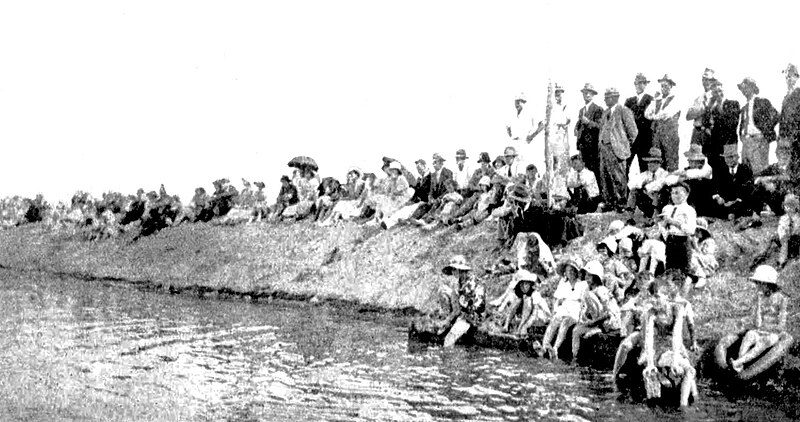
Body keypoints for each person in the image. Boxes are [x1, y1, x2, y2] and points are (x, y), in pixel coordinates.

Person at [639, 272, 699, 407]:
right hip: (661, 348)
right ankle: (684, 408)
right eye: (651, 297)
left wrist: (675, 361)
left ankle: (688, 403)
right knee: (689, 371)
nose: (653, 301)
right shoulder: (651, 313)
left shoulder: (677, 309)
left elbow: (677, 336)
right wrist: (650, 363)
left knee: (689, 374)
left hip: (676, 348)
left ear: (666, 297)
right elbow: (649, 338)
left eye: (657, 297)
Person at [729, 265, 791, 373]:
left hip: (773, 334)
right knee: (750, 335)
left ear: (767, 284)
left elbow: (781, 324)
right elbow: (757, 324)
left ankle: (738, 362)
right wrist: (758, 304)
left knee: (764, 341)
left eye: (759, 283)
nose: (757, 286)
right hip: (761, 331)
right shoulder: (760, 298)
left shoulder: (782, 299)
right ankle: (739, 364)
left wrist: (769, 330)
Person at [571, 259, 622, 359]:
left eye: (590, 276)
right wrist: (584, 318)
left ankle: (598, 329)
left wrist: (593, 323)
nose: (587, 278)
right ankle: (575, 357)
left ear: (596, 277)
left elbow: (608, 313)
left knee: (589, 295)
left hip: (609, 322)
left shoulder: (601, 290)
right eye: (586, 275)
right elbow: (586, 309)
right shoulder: (587, 290)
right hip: (597, 321)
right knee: (576, 330)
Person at [598, 87, 638, 211]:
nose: (605, 100)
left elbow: (633, 132)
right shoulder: (605, 113)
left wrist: (624, 145)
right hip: (605, 148)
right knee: (605, 176)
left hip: (617, 150)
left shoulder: (624, 111)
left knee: (618, 177)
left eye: (607, 97)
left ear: (614, 98)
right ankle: (609, 203)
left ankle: (621, 203)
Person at [541, 256, 588, 359]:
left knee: (565, 321)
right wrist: (555, 310)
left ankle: (556, 348)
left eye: (572, 270)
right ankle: (544, 346)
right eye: (568, 270)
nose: (570, 273)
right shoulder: (563, 283)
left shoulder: (583, 284)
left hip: (575, 309)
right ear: (565, 272)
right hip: (564, 307)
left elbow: (584, 303)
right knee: (555, 320)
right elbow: (557, 299)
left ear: (577, 272)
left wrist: (581, 317)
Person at [438, 255, 486, 347]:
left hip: (471, 316)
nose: (453, 272)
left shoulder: (471, 285)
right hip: (462, 310)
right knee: (443, 290)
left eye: (455, 269)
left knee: (449, 340)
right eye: (452, 270)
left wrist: (450, 320)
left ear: (462, 270)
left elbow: (465, 309)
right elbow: (457, 304)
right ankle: (448, 318)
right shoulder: (459, 282)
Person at [737, 77, 779, 175]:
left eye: (745, 88)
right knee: (746, 171)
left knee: (759, 171)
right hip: (746, 142)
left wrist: (764, 132)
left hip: (758, 141)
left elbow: (776, 116)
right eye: (742, 89)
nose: (743, 91)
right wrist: (742, 136)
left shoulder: (762, 102)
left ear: (752, 88)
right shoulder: (744, 108)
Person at [657, 182, 697, 278]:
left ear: (686, 194)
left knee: (683, 270)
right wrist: (664, 229)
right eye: (672, 193)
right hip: (670, 240)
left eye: (678, 193)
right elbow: (663, 226)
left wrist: (675, 223)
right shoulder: (668, 209)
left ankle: (683, 290)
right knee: (670, 270)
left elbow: (691, 230)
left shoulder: (689, 210)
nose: (674, 196)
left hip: (682, 241)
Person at [703, 81, 741, 171]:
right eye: (715, 92)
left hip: (729, 143)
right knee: (717, 170)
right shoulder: (711, 108)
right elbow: (705, 124)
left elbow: (732, 124)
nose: (718, 94)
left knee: (730, 169)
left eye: (720, 91)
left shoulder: (733, 104)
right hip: (715, 145)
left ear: (723, 90)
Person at [646, 74, 681, 172]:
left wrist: (654, 116)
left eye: (666, 86)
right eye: (662, 86)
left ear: (671, 86)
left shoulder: (675, 99)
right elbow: (647, 113)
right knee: (657, 158)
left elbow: (666, 114)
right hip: (657, 134)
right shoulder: (657, 100)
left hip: (670, 134)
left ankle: (671, 184)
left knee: (671, 160)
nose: (664, 88)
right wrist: (654, 114)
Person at [711, 144, 756, 221]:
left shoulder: (745, 170)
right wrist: (718, 197)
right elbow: (714, 187)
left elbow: (747, 190)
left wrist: (734, 201)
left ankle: (732, 214)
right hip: (724, 203)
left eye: (731, 157)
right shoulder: (720, 170)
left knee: (747, 205)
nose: (728, 160)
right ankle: (729, 214)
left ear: (737, 157)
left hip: (739, 202)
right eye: (726, 158)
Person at [668, 144, 715, 217]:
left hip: (703, 199)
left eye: (692, 161)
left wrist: (684, 175)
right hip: (690, 198)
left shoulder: (706, 169)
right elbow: (670, 178)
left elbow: (696, 174)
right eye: (689, 160)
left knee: (696, 184)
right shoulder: (687, 169)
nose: (689, 162)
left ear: (700, 162)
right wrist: (678, 177)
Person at [506, 91, 546, 171]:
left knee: (526, 165)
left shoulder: (531, 112)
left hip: (525, 143)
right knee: (514, 166)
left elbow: (543, 124)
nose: (517, 104)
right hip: (514, 143)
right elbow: (508, 127)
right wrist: (512, 137)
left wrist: (532, 135)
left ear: (524, 102)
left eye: (519, 102)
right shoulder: (512, 114)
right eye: (515, 102)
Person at [752, 140, 793, 216]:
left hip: (789, 195)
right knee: (758, 188)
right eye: (781, 153)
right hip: (775, 196)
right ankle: (767, 209)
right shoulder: (773, 167)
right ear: (777, 155)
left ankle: (773, 210)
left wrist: (770, 179)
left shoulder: (793, 167)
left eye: (787, 153)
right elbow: (756, 176)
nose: (784, 156)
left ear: (790, 155)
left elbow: (790, 177)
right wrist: (763, 181)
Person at [626, 147, 669, 218]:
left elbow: (659, 185)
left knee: (658, 192)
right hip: (648, 203)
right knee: (634, 191)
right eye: (649, 162)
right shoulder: (646, 174)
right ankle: (629, 217)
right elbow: (632, 184)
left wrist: (648, 187)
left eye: (653, 162)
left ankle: (654, 218)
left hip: (660, 204)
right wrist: (642, 184)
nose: (650, 164)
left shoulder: (664, 174)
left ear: (659, 164)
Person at [625, 74, 655, 173]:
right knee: (626, 164)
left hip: (644, 138)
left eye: (642, 83)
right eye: (637, 83)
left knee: (644, 166)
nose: (639, 85)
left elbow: (650, 117)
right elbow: (625, 117)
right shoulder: (629, 101)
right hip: (631, 139)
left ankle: (644, 188)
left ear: (646, 85)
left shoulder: (650, 99)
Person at [367, 161, 412, 226]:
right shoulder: (393, 179)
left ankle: (385, 220)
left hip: (402, 198)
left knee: (387, 202)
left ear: (398, 171)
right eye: (392, 170)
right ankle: (377, 218)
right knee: (382, 201)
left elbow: (396, 192)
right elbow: (389, 191)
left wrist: (390, 191)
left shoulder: (401, 179)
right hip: (395, 198)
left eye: (394, 170)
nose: (392, 172)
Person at [575, 83, 604, 179]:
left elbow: (600, 126)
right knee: (584, 173)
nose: (587, 95)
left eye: (589, 93)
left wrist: (588, 122)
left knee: (594, 172)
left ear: (593, 95)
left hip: (593, 147)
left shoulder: (598, 109)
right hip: (583, 147)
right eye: (585, 93)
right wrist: (576, 128)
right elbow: (580, 124)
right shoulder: (581, 110)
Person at [686, 68, 718, 148]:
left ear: (714, 82)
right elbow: (688, 115)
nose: (706, 82)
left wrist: (700, 110)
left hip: (711, 131)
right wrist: (703, 109)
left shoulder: (717, 97)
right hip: (698, 132)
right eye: (704, 80)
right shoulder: (698, 99)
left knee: (713, 158)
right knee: (695, 158)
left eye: (709, 80)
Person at [780, 63, 800, 181]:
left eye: (791, 75)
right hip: (787, 139)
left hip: (797, 137)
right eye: (787, 76)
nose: (788, 78)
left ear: (796, 77)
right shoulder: (785, 97)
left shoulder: (798, 94)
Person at [549, 84, 572, 180]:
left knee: (564, 161)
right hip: (554, 138)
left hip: (564, 137)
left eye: (561, 93)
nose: (559, 96)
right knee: (555, 162)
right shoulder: (552, 107)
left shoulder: (567, 106)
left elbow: (569, 121)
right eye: (557, 93)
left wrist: (565, 124)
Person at [689, 217, 717, 289]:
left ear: (701, 231)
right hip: (698, 263)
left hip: (707, 265)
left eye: (697, 231)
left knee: (693, 254)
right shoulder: (696, 240)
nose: (695, 233)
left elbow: (708, 256)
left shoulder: (709, 241)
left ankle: (702, 277)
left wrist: (695, 247)